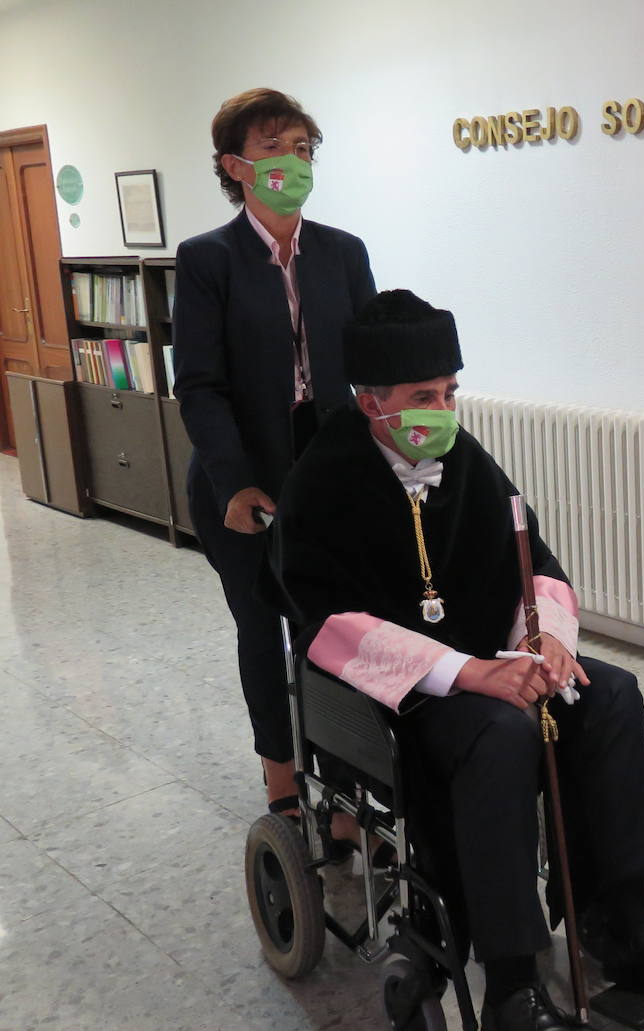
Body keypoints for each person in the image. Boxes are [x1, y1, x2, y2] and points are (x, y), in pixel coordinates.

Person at [269, 290, 644, 1030]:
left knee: (611, 694)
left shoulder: (464, 457)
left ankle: (620, 923)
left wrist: (543, 633)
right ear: (370, 402)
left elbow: (534, 555)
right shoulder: (322, 482)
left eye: (450, 391)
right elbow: (327, 620)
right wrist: (465, 672)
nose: (444, 409)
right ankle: (511, 983)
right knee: (502, 731)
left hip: (493, 660)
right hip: (403, 696)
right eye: (424, 396)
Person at [173, 88, 377, 816]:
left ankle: (349, 779)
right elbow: (198, 384)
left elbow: (369, 367)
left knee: (334, 629)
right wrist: (233, 484)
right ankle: (283, 778)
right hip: (241, 479)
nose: (293, 161)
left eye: (304, 148)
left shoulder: (342, 253)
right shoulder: (207, 260)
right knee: (263, 629)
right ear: (236, 165)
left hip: (325, 472)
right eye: (274, 148)